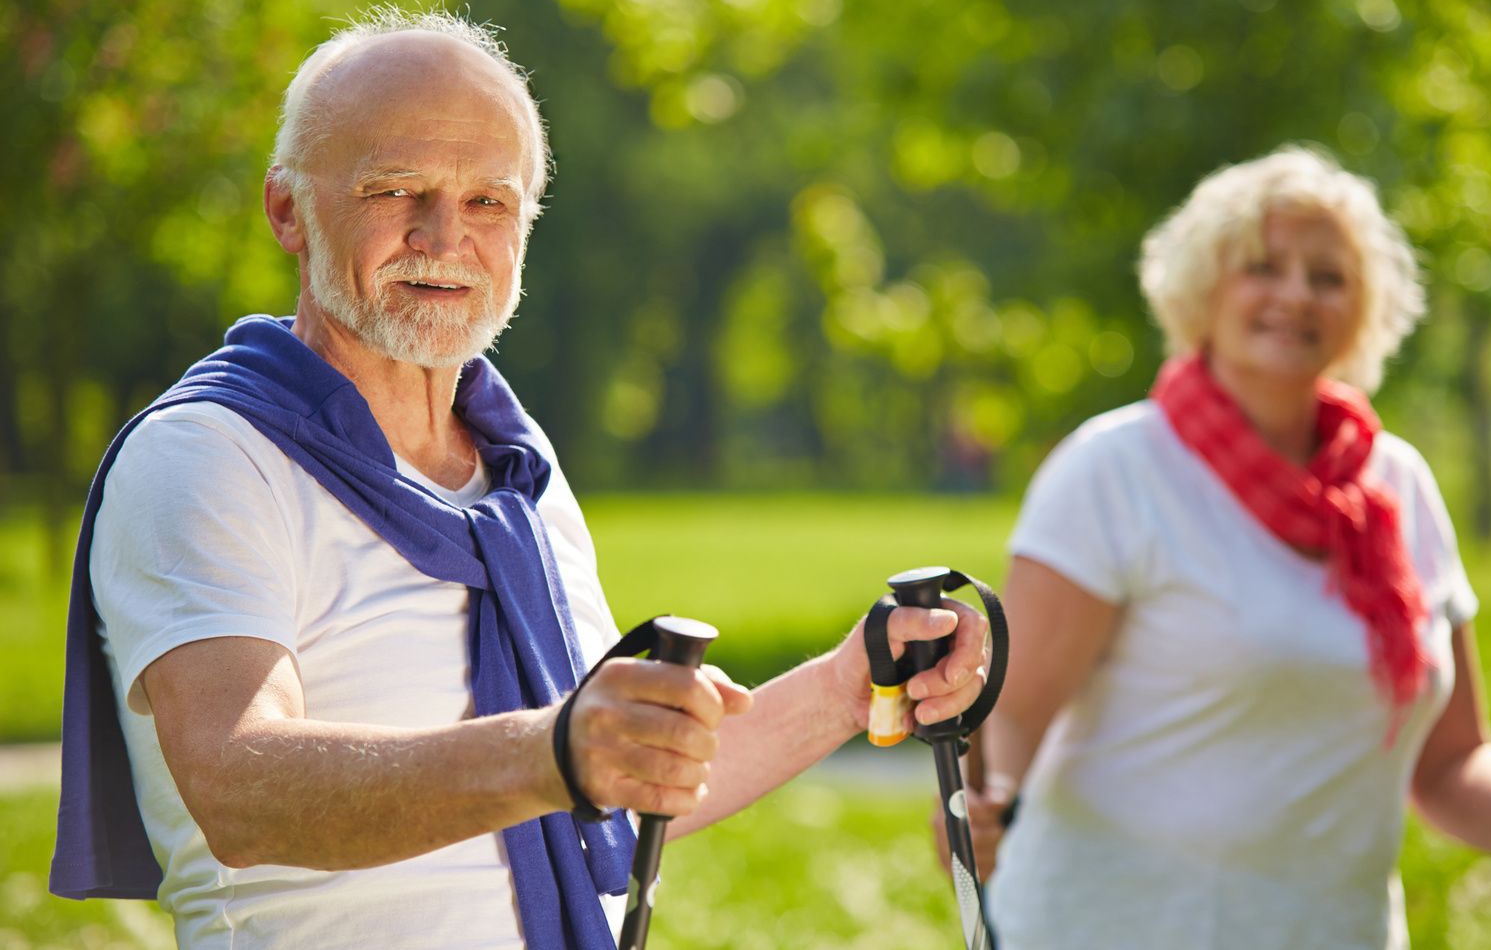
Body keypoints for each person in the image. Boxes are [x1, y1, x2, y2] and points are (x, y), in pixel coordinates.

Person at [50, 11, 990, 950]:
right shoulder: (209, 454)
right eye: (393, 189)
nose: (443, 235)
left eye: (489, 202)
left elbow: (612, 783)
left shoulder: (517, 474)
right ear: (288, 209)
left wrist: (852, 679)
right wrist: (551, 752)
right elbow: (240, 786)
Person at [961, 148, 1491, 949]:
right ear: (1203, 291)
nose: (1295, 295)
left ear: (1365, 308)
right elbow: (1012, 716)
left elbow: (1450, 762)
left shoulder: (1399, 487)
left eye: (1328, 276)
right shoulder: (1115, 470)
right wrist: (983, 805)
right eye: (1263, 267)